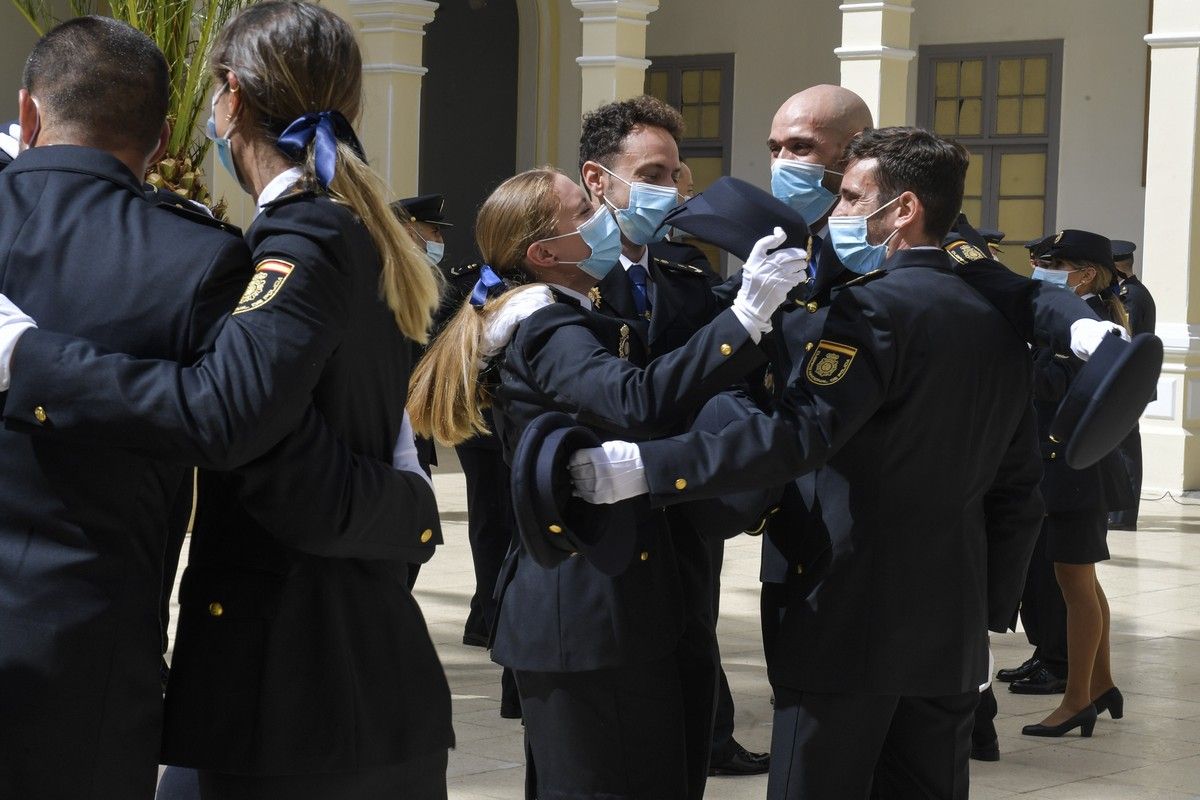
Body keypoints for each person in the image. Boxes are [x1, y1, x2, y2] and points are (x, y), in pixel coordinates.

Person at [0, 3, 452, 797]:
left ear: (231, 100)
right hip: (323, 683)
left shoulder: (301, 242)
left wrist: (23, 353)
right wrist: (409, 506)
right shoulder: (334, 232)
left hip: (298, 688)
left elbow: (230, 421)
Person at [571, 127, 1045, 799]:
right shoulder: (1002, 318)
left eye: (852, 198)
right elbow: (1020, 484)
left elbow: (797, 435)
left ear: (903, 210)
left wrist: (652, 467)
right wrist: (988, 611)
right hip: (951, 627)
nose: (837, 214)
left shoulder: (866, 311)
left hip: (842, 617)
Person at [408, 166, 809, 799]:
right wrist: (745, 317)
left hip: (611, 606)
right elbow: (637, 400)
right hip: (588, 615)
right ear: (546, 255)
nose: (604, 213)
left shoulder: (565, 314)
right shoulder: (546, 328)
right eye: (585, 210)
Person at [576, 93, 769, 785]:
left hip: (684, 515)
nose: (670, 190)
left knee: (688, 664)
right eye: (652, 174)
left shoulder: (685, 273)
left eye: (675, 175)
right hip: (597, 526)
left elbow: (728, 376)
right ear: (600, 180)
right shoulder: (568, 281)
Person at [1020, 230, 1127, 739]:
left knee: (1074, 586)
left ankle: (1076, 699)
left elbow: (1061, 393)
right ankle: (1100, 683)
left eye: (1053, 262)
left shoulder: (1090, 327)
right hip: (1068, 468)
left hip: (1074, 470)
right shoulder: (1079, 317)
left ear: (1084, 273)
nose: (1041, 267)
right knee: (1083, 582)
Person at [1108, 238, 1155, 530]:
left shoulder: (1131, 296)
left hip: (1128, 383)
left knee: (1125, 450)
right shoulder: (1128, 292)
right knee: (1119, 447)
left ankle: (1124, 516)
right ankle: (1117, 510)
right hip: (1127, 382)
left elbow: (1127, 341)